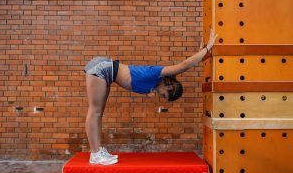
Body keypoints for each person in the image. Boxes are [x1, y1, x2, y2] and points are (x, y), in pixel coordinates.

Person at [84, 29, 217, 165]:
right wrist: (207, 48)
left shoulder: (153, 84)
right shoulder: (158, 73)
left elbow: (188, 65)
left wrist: (203, 56)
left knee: (98, 113)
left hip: (106, 72)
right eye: (165, 95)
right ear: (170, 86)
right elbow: (184, 66)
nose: (162, 96)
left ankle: (98, 150)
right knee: (95, 111)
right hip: (102, 68)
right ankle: (95, 154)